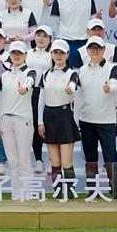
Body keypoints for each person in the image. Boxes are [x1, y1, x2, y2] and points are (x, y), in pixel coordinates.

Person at [75, 36, 117, 194]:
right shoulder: (82, 70)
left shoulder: (112, 68)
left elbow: (115, 84)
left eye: (98, 48)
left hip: (106, 120)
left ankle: (116, 190)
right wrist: (76, 120)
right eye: (92, 48)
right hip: (86, 120)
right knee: (90, 157)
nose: (95, 50)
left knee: (110, 156)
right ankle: (92, 190)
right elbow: (78, 96)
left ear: (104, 50)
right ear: (87, 50)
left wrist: (110, 88)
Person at [37, 40, 82, 198]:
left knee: (66, 161)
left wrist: (71, 89)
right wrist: (40, 122)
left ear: (67, 54)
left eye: (62, 52)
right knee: (54, 161)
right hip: (49, 117)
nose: (58, 55)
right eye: (55, 52)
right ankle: (58, 191)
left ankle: (69, 192)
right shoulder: (45, 74)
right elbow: (41, 99)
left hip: (65, 116)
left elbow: (74, 86)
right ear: (51, 54)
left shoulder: (72, 73)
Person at [0, 41, 38, 193]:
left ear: (25, 55)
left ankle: (28, 194)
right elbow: (0, 99)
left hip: (23, 120)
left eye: (20, 53)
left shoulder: (30, 72)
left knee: (24, 161)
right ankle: (16, 194)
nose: (16, 56)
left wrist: (25, 87)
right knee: (12, 162)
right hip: (5, 121)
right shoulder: (4, 75)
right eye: (14, 53)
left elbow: (31, 80)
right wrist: (0, 121)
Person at [50, 0, 99, 68]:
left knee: (85, 71)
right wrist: (56, 42)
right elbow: (54, 23)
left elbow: (93, 20)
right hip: (65, 42)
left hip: (85, 42)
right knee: (66, 73)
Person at [26, 25, 54, 172]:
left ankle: (52, 159)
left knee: (47, 125)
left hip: (47, 92)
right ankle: (38, 160)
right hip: (30, 92)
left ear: (50, 39)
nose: (41, 39)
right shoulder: (27, 53)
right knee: (34, 125)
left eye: (45, 36)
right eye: (38, 35)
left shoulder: (52, 55)